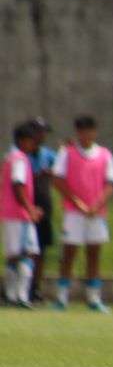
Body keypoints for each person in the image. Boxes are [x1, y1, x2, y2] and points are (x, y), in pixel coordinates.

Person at [50, 115, 113, 313]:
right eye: (82, 131)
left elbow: (111, 183)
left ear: (94, 132)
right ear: (77, 132)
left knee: (94, 253)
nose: (86, 135)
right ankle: (62, 298)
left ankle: (93, 298)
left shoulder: (104, 154)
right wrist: (77, 202)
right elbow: (58, 180)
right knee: (69, 252)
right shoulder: (68, 153)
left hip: (96, 213)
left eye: (89, 131)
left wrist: (97, 204)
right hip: (74, 212)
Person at [2, 122, 44, 308]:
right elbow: (18, 185)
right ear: (22, 141)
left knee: (13, 256)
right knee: (29, 253)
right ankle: (22, 296)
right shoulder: (20, 159)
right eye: (31, 140)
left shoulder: (10, 158)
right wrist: (30, 209)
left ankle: (10, 295)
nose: (34, 144)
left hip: (9, 213)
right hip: (19, 216)